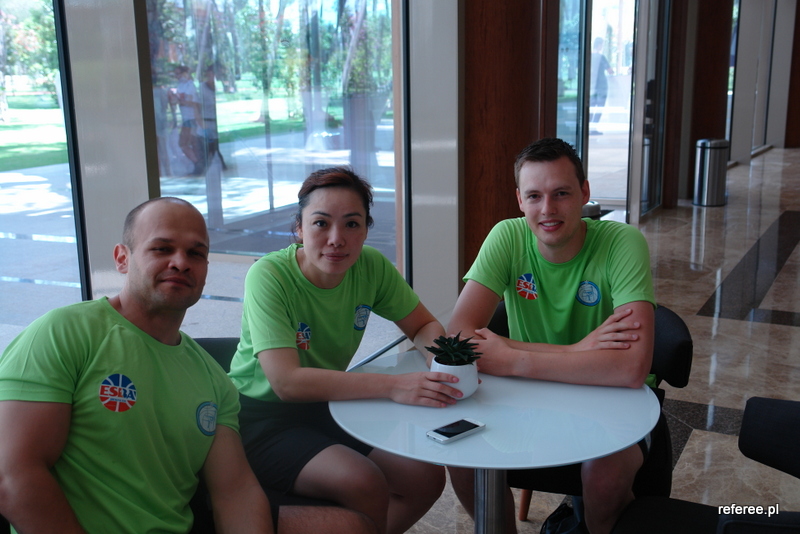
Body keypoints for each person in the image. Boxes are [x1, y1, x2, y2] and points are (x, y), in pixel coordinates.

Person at [0, 197, 375, 534]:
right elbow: (13, 475)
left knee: (352, 527)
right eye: (162, 248)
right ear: (122, 258)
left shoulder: (212, 379)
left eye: (196, 254)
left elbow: (236, 494)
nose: (180, 262)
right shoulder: (66, 333)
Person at [227, 166, 461, 534]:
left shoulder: (370, 266)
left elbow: (422, 326)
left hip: (326, 403)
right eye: (321, 223)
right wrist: (394, 386)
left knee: (424, 478)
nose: (337, 239)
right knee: (363, 482)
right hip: (257, 418)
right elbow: (286, 382)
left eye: (352, 224)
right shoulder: (269, 276)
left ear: (366, 230)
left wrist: (443, 361)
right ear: (299, 228)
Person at [447, 138, 655, 534]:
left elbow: (630, 368)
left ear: (584, 192)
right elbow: (457, 338)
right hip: (528, 399)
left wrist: (512, 357)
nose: (548, 209)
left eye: (561, 193)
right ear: (519, 200)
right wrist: (579, 350)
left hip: (613, 400)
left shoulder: (622, 242)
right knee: (460, 456)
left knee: (604, 477)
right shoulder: (507, 236)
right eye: (534, 196)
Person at [174, 66, 203, 175]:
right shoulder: (181, 85)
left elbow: (194, 103)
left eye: (179, 73)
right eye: (176, 74)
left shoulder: (190, 86)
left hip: (191, 118)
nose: (177, 76)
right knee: (192, 143)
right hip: (186, 118)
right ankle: (198, 165)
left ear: (185, 73)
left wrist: (180, 101)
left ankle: (198, 163)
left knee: (184, 143)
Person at [589, 37, 613, 133]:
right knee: (599, 107)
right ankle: (593, 128)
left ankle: (588, 127)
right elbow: (610, 71)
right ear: (599, 45)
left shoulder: (589, 56)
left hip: (591, 86)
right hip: (601, 86)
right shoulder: (601, 57)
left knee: (591, 107)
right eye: (602, 45)